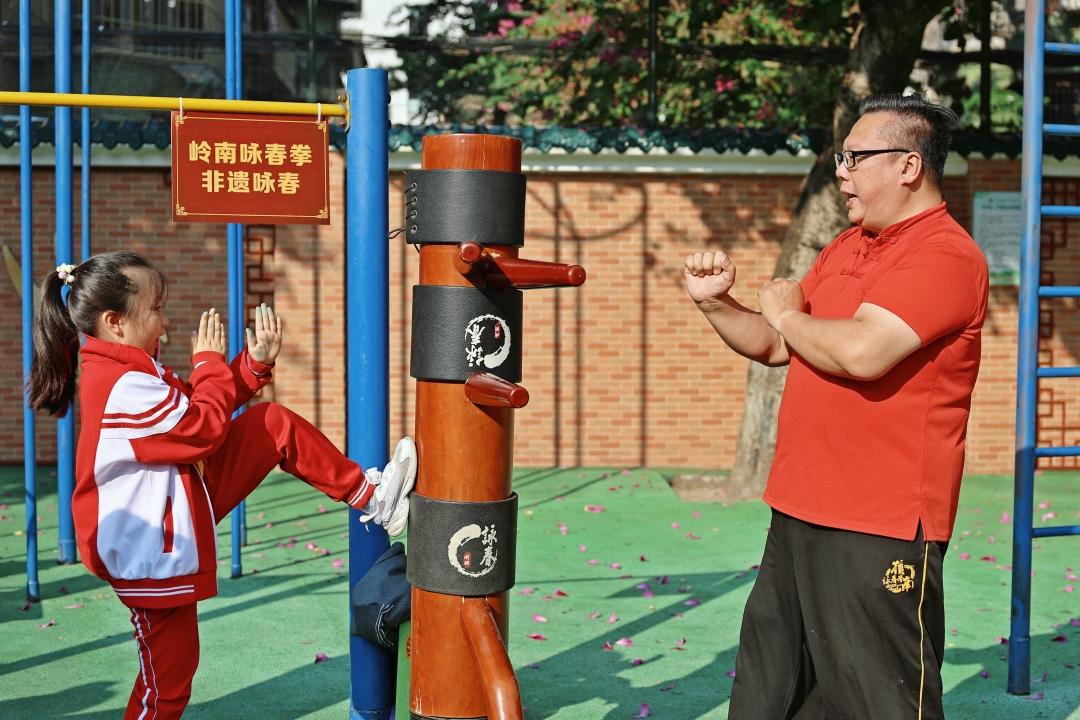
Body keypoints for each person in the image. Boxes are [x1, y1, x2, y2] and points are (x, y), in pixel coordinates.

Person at [684, 93, 988, 719]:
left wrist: (786, 315)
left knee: (879, 697)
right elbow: (776, 343)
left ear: (908, 166)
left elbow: (863, 353)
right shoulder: (847, 245)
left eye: (855, 158)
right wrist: (717, 303)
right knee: (774, 689)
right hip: (799, 505)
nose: (841, 172)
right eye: (840, 158)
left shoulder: (945, 255)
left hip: (882, 520)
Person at [27, 251, 417, 719]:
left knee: (272, 425)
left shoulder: (128, 371)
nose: (166, 323)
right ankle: (374, 498)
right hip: (151, 545)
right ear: (115, 322)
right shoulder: (120, 385)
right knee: (166, 684)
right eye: (156, 309)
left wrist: (250, 366)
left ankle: (374, 497)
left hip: (174, 509)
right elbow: (201, 428)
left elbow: (194, 409)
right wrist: (209, 361)